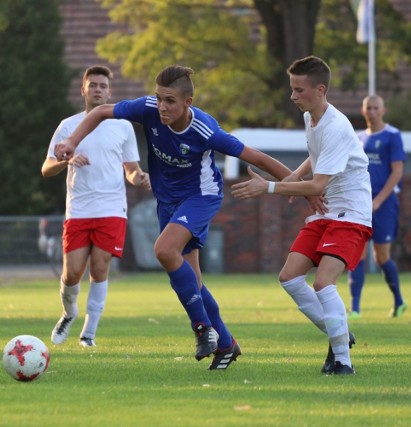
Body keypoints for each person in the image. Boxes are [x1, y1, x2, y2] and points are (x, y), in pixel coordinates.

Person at [54, 64, 292, 370]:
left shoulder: (205, 130)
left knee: (164, 250)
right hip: (168, 201)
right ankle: (227, 344)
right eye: (159, 98)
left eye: (170, 101)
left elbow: (257, 157)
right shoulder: (149, 108)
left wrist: (300, 188)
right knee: (192, 280)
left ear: (187, 103)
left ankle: (203, 329)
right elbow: (100, 113)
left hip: (200, 197)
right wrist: (72, 142)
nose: (162, 107)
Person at [231, 56, 372, 375]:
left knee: (324, 283)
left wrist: (269, 187)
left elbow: (319, 184)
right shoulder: (312, 118)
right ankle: (340, 336)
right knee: (289, 278)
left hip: (351, 214)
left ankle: (343, 362)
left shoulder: (335, 126)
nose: (292, 96)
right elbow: (314, 160)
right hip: (326, 212)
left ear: (320, 89)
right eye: (291, 89)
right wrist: (291, 181)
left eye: (298, 90)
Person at [42, 65, 150, 348]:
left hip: (112, 208)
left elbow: (131, 169)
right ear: (83, 90)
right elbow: (46, 168)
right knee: (72, 273)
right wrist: (66, 160)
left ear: (110, 91)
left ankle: (89, 331)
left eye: (103, 85)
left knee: (100, 268)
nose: (98, 89)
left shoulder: (123, 126)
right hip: (78, 209)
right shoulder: (68, 126)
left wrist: (139, 178)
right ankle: (68, 313)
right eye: (93, 85)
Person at [348, 95, 407, 319]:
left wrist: (379, 201)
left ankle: (399, 301)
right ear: (363, 111)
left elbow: (397, 172)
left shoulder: (393, 136)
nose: (372, 112)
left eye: (375, 108)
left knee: (382, 256)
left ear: (383, 110)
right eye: (368, 108)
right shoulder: (358, 138)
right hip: (361, 204)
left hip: (384, 204)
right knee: (357, 255)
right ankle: (355, 308)